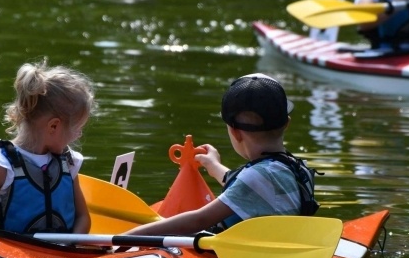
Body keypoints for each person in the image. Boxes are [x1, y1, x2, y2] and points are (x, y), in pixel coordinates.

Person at [127, 73, 318, 237]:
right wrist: (214, 166)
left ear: (235, 132)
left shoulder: (259, 177)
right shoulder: (292, 168)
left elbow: (198, 220)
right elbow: (248, 190)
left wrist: (124, 237)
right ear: (287, 123)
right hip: (283, 256)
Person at [0, 59, 95, 237]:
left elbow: (83, 218)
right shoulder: (1, 166)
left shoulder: (68, 163)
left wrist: (72, 246)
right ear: (53, 126)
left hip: (61, 257)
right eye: (77, 128)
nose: (78, 135)